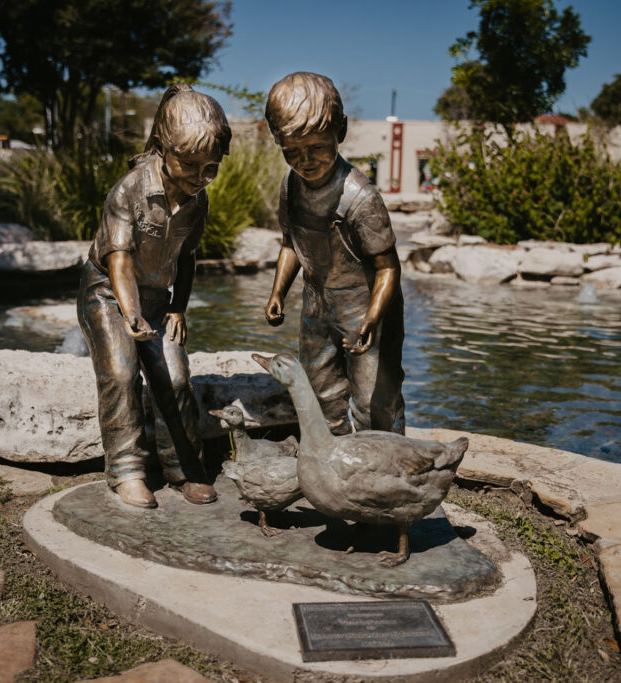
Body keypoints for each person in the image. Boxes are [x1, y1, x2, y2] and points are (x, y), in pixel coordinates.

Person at [78, 84, 231, 509]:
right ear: (163, 149)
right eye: (189, 165)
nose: (198, 178)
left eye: (210, 169)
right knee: (122, 373)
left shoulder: (197, 202)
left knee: (177, 378)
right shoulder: (130, 190)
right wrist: (130, 314)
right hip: (108, 293)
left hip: (158, 298)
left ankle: (185, 469)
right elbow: (120, 261)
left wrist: (179, 306)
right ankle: (127, 471)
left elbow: (186, 259)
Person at [263, 72, 405, 436]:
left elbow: (388, 269)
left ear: (339, 131)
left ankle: (389, 471)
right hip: (317, 304)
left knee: (375, 400)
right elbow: (290, 244)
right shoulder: (291, 187)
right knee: (320, 393)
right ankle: (334, 469)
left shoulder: (360, 198)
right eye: (292, 151)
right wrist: (278, 291)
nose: (305, 160)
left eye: (316, 147)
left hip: (366, 306)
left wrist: (372, 319)